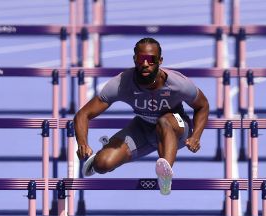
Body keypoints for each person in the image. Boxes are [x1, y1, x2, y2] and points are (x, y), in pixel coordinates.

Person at [73, 37, 211, 195]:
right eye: (141, 59)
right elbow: (83, 114)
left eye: (150, 59)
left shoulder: (178, 84)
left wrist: (196, 136)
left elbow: (202, 105)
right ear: (134, 59)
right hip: (142, 127)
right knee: (102, 164)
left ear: (160, 60)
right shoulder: (121, 83)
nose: (145, 63)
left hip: (176, 123)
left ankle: (165, 177)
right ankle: (102, 155)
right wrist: (82, 143)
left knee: (164, 121)